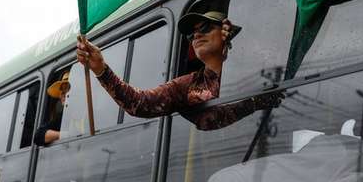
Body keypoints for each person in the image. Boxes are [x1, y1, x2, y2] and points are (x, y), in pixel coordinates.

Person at [76, 10, 283, 131]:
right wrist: (100, 69)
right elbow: (138, 103)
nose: (197, 36)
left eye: (205, 29)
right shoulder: (186, 86)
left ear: (225, 32)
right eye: (192, 35)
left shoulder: (256, 68)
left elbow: (276, 62)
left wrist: (243, 43)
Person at [34, 71, 70, 146]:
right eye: (62, 91)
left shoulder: (90, 111)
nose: (62, 94)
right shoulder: (63, 116)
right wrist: (65, 135)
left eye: (66, 89)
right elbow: (39, 135)